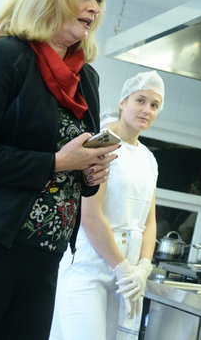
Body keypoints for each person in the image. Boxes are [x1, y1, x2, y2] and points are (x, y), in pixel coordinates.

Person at [0, 0, 118, 340]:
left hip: (49, 252)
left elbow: (76, 163)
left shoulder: (87, 79)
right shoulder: (3, 58)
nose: (94, 8)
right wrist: (57, 162)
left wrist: (91, 172)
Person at [51, 71, 165, 340]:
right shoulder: (100, 144)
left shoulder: (149, 159)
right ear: (123, 102)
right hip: (90, 267)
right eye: (140, 100)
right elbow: (90, 217)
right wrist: (123, 268)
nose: (146, 110)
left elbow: (149, 221)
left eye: (154, 105)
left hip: (126, 274)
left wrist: (143, 267)